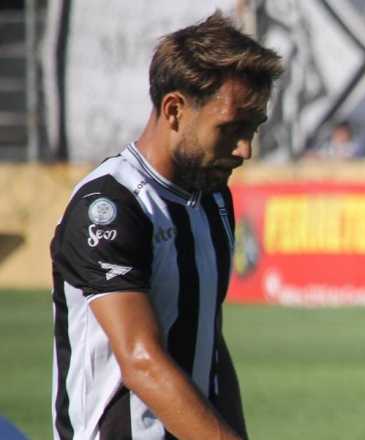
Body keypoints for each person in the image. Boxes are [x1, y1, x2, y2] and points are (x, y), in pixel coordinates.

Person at [50, 12, 282, 439]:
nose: (246, 148)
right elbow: (141, 359)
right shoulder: (111, 207)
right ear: (175, 108)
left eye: (253, 129)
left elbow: (207, 341)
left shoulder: (212, 199)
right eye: (231, 128)